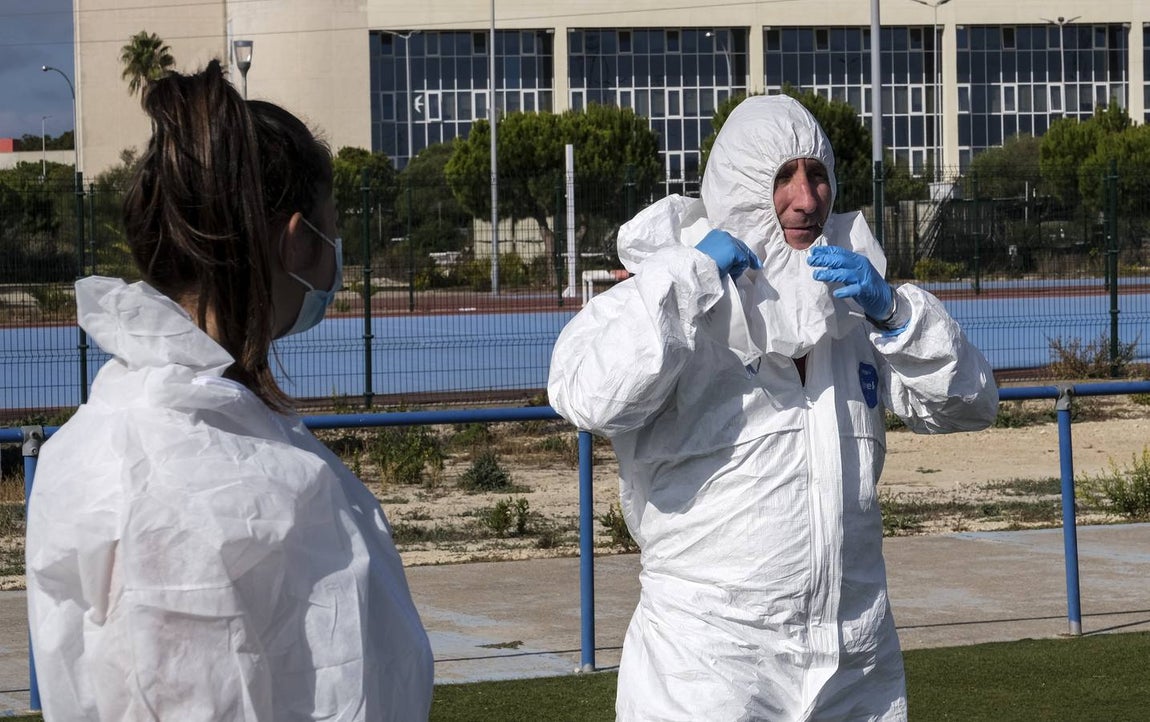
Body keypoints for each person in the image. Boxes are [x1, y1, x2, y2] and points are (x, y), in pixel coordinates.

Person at [548, 95, 998, 721]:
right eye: (782, 176)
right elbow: (589, 397)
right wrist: (689, 281)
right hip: (708, 665)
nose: (806, 199)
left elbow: (971, 402)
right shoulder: (662, 301)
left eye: (817, 175)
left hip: (853, 664)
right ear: (737, 185)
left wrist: (896, 316)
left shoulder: (855, 308)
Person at [25, 61, 433, 721]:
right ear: (298, 241)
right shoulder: (177, 461)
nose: (337, 259)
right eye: (334, 229)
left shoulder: (164, 423)